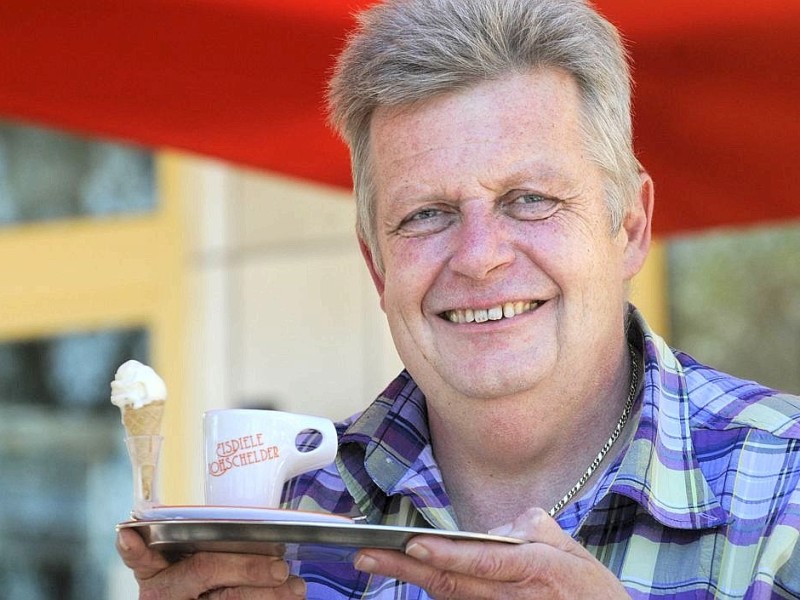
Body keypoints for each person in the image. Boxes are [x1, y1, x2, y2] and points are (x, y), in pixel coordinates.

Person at [117, 0, 800, 597]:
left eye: (530, 200)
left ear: (629, 228)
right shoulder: (294, 517)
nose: (479, 257)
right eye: (426, 215)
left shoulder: (784, 486)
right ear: (377, 266)